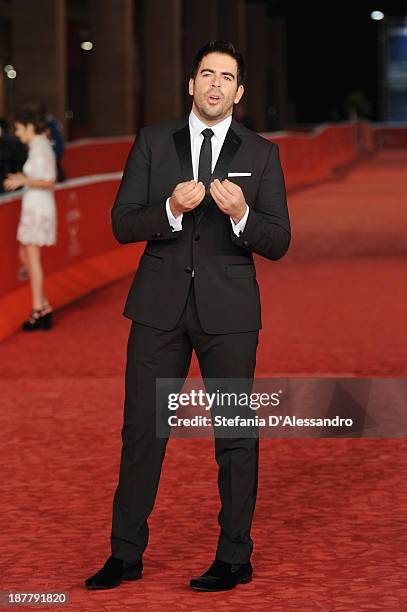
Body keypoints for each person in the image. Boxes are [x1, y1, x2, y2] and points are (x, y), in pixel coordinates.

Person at [85, 40, 291, 593]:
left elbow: (279, 240)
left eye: (227, 77)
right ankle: (125, 554)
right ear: (191, 84)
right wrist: (170, 210)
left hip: (230, 312)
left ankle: (234, 556)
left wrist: (242, 213)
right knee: (140, 433)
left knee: (235, 435)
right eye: (206, 74)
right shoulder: (153, 142)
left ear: (240, 92)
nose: (215, 84)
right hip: (157, 308)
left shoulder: (262, 153)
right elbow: (122, 222)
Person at [3, 103, 57, 331]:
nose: (16, 134)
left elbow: (49, 180)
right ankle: (42, 305)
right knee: (26, 254)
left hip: (38, 206)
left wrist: (23, 180)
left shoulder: (40, 146)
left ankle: (38, 310)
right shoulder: (39, 144)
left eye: (18, 129)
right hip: (35, 204)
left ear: (28, 126)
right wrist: (23, 177)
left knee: (31, 258)